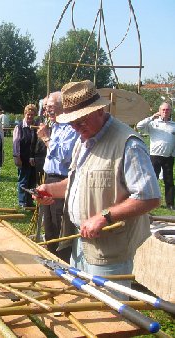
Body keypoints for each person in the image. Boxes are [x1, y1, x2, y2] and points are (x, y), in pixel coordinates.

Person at [35, 80, 160, 295]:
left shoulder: (127, 144)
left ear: (101, 110)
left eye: (81, 121)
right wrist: (50, 189)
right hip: (80, 245)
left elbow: (149, 197)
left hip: (109, 253)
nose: (76, 127)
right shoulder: (83, 139)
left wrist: (104, 217)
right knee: (85, 307)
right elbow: (78, 183)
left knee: (108, 318)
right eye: (72, 122)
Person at [37, 92, 78, 262]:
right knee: (49, 224)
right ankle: (51, 258)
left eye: (51, 108)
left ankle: (62, 262)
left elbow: (65, 156)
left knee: (60, 224)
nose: (47, 112)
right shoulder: (57, 126)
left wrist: (46, 139)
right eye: (46, 109)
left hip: (62, 181)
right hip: (49, 178)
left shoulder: (70, 128)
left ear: (64, 107)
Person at [136, 102, 175, 210]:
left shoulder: (173, 125)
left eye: (167, 110)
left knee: (169, 181)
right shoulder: (153, 124)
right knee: (153, 180)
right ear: (159, 111)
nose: (165, 112)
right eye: (163, 110)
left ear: (170, 111)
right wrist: (152, 117)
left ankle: (170, 204)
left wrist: (173, 154)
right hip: (155, 156)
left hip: (168, 157)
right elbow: (139, 126)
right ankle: (151, 203)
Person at [13, 104, 37, 207]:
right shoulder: (19, 127)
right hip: (22, 158)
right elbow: (16, 143)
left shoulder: (36, 127)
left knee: (32, 181)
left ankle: (29, 201)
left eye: (32, 115)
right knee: (23, 180)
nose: (30, 117)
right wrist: (17, 157)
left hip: (33, 159)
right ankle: (22, 202)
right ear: (25, 114)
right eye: (28, 114)